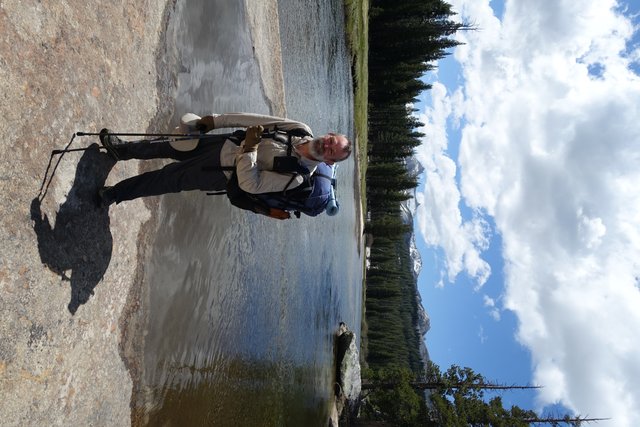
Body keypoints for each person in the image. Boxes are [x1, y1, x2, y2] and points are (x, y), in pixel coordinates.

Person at [97, 112, 351, 218]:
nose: (327, 146)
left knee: (166, 179)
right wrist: (215, 121)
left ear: (329, 161)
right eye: (331, 140)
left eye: (332, 151)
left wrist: (250, 149)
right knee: (166, 145)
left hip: (218, 173)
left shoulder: (296, 177)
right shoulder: (299, 129)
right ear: (328, 133)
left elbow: (250, 184)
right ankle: (119, 150)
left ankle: (114, 194)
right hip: (221, 142)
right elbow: (251, 118)